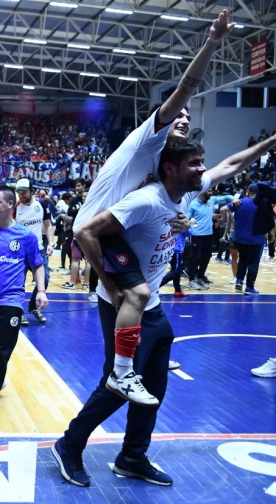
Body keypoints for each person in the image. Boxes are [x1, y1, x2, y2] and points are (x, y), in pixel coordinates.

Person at [53, 133, 276, 489]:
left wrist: (271, 142)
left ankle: (132, 457)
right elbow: (87, 231)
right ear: (170, 168)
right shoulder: (145, 200)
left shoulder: (186, 193)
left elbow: (232, 164)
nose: (202, 169)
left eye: (202, 162)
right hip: (125, 305)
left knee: (154, 387)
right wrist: (111, 287)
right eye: (195, 163)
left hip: (153, 306)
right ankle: (69, 444)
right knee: (118, 384)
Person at [69, 10, 234, 406]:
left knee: (141, 297)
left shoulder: (165, 166)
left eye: (188, 118)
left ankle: (134, 363)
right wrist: (212, 41)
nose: (183, 118)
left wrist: (174, 221)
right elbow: (186, 88)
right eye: (178, 115)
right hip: (98, 229)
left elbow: (215, 172)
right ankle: (123, 372)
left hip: (119, 231)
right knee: (135, 295)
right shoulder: (148, 139)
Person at [0, 185, 48, 425]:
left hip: (10, 302)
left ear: (10, 206)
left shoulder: (25, 236)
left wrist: (42, 291)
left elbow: (37, 264)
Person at [14, 178, 53, 325]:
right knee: (19, 283)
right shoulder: (15, 207)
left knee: (46, 280)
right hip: (20, 252)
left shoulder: (42, 204)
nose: (21, 195)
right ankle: (19, 311)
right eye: (19, 192)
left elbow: (48, 225)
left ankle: (32, 307)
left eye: (24, 192)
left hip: (38, 250)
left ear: (33, 191)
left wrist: (50, 243)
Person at [220, 184, 270, 295]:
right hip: (255, 239)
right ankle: (249, 287)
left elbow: (222, 209)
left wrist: (223, 219)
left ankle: (239, 280)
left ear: (248, 191)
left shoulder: (239, 202)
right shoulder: (262, 204)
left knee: (242, 260)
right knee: (253, 263)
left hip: (239, 238)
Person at [185, 189, 234, 290]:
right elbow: (186, 219)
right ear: (202, 192)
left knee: (206, 258)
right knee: (194, 259)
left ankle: (200, 278)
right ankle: (191, 281)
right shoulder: (192, 204)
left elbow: (226, 198)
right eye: (209, 191)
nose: (211, 193)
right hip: (196, 236)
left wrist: (235, 199)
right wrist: (187, 234)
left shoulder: (211, 200)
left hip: (209, 236)